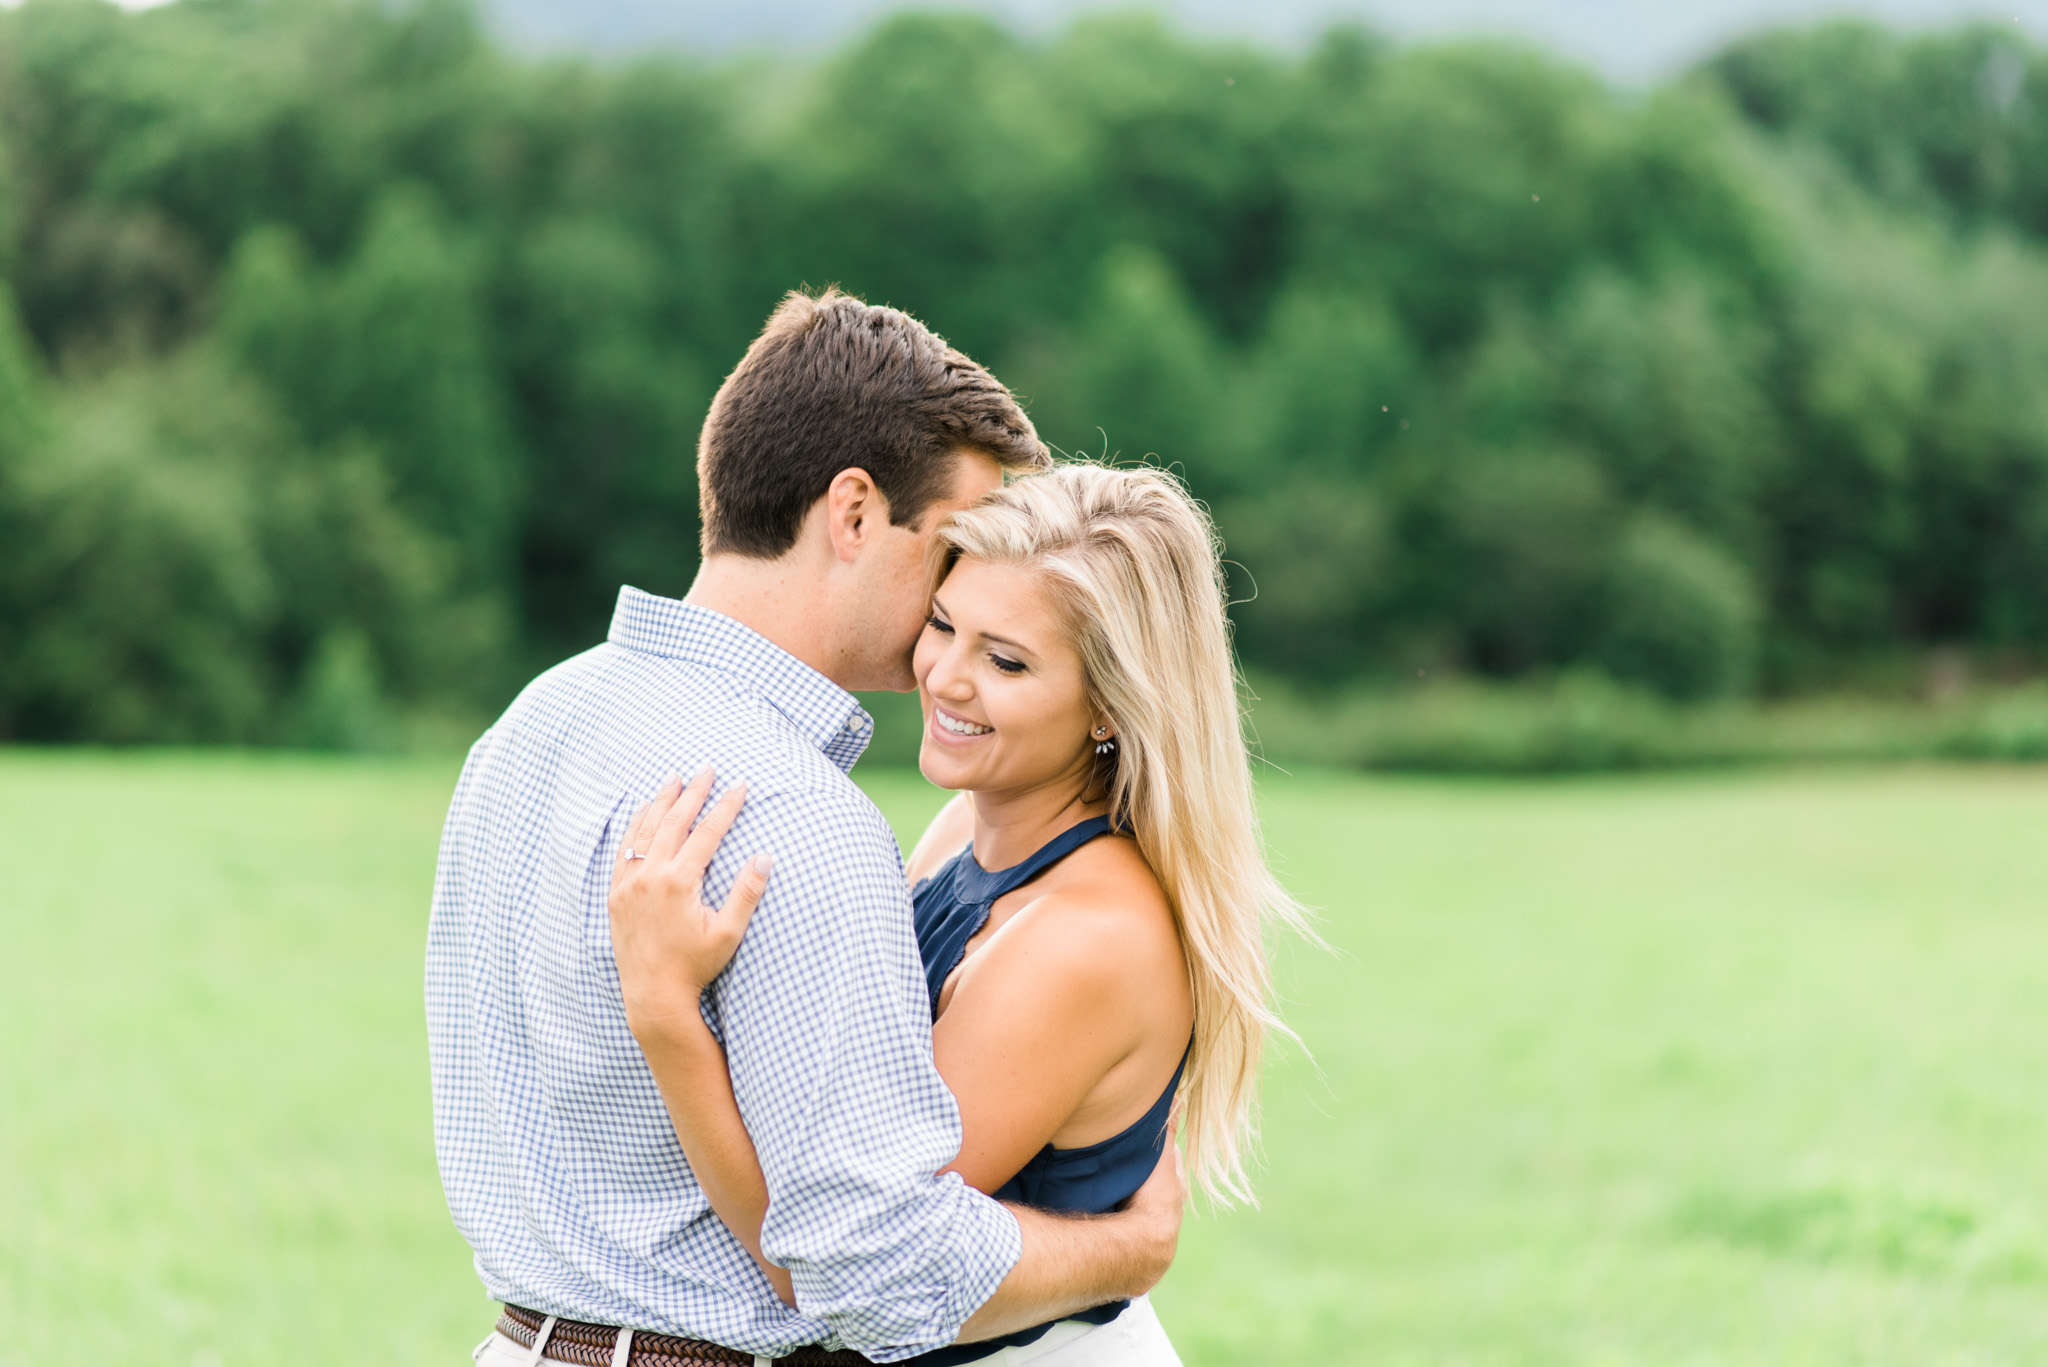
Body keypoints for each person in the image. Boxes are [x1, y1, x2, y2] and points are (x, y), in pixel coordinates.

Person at [426, 290, 1189, 1367]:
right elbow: (869, 1265)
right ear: (853, 512)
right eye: (950, 547)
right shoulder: (792, 814)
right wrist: (1123, 1249)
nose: (955, 602)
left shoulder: (531, 724)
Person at [606, 462, 1307, 1365]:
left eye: (1005, 659)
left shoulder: (1083, 937)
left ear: (1108, 707)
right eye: (944, 623)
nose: (945, 676)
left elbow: (831, 1263)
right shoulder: (963, 832)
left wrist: (666, 1011)